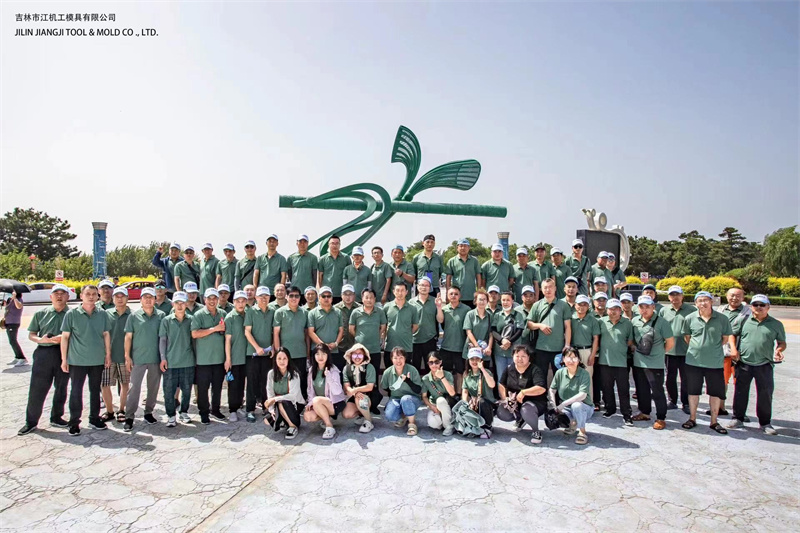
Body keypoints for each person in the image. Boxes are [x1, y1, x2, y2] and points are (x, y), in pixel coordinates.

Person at [727, 295, 786, 435]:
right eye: (755, 304)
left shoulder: (776, 324)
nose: (758, 307)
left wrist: (779, 350)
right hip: (744, 363)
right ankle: (738, 418)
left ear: (768, 307)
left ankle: (765, 423)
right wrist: (733, 349)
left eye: (762, 305)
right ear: (751, 307)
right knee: (740, 392)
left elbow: (782, 342)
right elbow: (732, 334)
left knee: (765, 394)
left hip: (764, 364)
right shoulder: (743, 320)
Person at [18, 284, 70, 436]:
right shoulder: (41, 313)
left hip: (64, 354)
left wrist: (63, 338)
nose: (59, 296)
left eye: (62, 293)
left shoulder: (73, 315)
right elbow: (32, 334)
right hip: (44, 353)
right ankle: (31, 421)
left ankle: (57, 417)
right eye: (56, 293)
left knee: (61, 387)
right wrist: (41, 340)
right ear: (51, 296)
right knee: (37, 388)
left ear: (67, 297)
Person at [61, 284, 112, 436]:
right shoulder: (71, 314)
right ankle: (74, 422)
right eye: (88, 294)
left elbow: (106, 335)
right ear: (81, 296)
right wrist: (64, 359)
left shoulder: (102, 314)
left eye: (94, 294)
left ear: (97, 296)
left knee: (95, 391)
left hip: (97, 360)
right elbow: (65, 337)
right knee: (76, 391)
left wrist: (108, 354)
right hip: (77, 360)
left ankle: (94, 418)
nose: (91, 297)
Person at [681, 291, 735, 434]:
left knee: (715, 393)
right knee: (693, 391)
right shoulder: (690, 318)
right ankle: (692, 418)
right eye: (700, 300)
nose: (703, 303)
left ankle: (714, 421)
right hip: (693, 361)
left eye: (706, 300)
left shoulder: (722, 319)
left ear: (711, 302)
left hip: (714, 363)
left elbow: (725, 339)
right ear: (695, 303)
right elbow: (687, 337)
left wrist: (710, 348)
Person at [122, 287, 164, 431]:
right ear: (140, 300)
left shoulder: (161, 316)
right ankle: (129, 416)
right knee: (134, 388)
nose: (148, 300)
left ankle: (148, 412)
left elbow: (164, 338)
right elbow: (128, 337)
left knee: (153, 388)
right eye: (145, 297)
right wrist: (127, 356)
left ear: (155, 299)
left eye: (151, 297)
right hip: (138, 358)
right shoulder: (134, 316)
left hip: (155, 358)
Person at [630, 296, 675, 429]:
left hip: (655, 364)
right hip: (639, 362)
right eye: (641, 307)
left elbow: (670, 342)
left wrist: (659, 353)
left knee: (657, 391)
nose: (644, 310)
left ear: (653, 307)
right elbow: (632, 340)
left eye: (647, 307)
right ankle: (645, 413)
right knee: (642, 390)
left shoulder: (662, 322)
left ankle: (661, 417)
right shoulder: (635, 321)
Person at [496, 345, 547, 444]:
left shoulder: (535, 370)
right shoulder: (509, 368)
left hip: (534, 403)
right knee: (502, 412)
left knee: (526, 409)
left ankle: (536, 431)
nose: (520, 359)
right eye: (517, 356)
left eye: (523, 356)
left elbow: (541, 388)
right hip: (515, 403)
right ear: (513, 356)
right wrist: (505, 399)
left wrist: (524, 392)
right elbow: (501, 384)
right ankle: (521, 419)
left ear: (529, 357)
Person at [191, 288, 227, 425]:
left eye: (214, 298)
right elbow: (195, 333)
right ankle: (204, 412)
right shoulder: (199, 315)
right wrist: (214, 329)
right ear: (204, 299)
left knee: (217, 387)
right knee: (203, 388)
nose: (212, 301)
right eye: (209, 298)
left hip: (219, 358)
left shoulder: (223, 314)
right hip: (203, 360)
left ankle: (215, 409)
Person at [159, 292, 195, 426]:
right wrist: (163, 358)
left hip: (187, 361)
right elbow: (163, 340)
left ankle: (184, 412)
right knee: (169, 390)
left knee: (187, 390)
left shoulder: (191, 320)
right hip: (171, 361)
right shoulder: (166, 320)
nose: (180, 306)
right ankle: (171, 415)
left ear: (186, 304)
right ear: (173, 304)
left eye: (182, 303)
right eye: (177, 303)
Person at [527, 278, 572, 382]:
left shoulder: (563, 305)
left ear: (555, 288)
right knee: (541, 377)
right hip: (541, 347)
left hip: (558, 348)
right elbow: (529, 324)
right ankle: (542, 393)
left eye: (550, 287)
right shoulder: (537, 305)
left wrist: (567, 345)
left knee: (560, 377)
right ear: (541, 289)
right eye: (545, 287)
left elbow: (568, 327)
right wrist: (540, 325)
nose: (548, 290)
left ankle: (558, 393)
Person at [598, 298, 635, 426]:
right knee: (607, 388)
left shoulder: (627, 323)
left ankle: (626, 413)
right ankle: (610, 409)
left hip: (621, 361)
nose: (613, 311)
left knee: (623, 389)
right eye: (611, 309)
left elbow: (629, 341)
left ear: (620, 310)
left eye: (616, 309)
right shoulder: (601, 322)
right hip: (605, 361)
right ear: (606, 310)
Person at [660, 285, 694, 414]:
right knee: (670, 377)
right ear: (669, 297)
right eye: (672, 295)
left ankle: (686, 403)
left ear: (682, 296)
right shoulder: (664, 311)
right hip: (670, 350)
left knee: (686, 378)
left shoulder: (691, 310)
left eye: (677, 294)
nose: (675, 297)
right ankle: (672, 400)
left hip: (686, 350)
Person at [716, 287, 751, 416]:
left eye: (738, 296)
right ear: (726, 296)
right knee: (721, 380)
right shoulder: (720, 310)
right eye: (732, 295)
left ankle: (740, 413)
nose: (734, 298)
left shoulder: (748, 312)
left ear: (743, 297)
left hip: (740, 353)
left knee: (740, 383)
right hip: (722, 351)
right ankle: (720, 407)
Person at [549, 347, 594, 445]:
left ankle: (582, 432)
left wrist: (563, 404)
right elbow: (552, 390)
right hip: (567, 409)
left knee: (576, 405)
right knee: (554, 416)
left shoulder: (584, 374)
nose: (571, 360)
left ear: (579, 360)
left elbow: (582, 395)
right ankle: (572, 424)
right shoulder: (559, 373)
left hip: (584, 407)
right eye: (568, 357)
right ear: (563, 359)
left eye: (574, 357)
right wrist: (554, 406)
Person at [100, 287, 131, 424]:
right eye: (117, 296)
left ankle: (122, 410)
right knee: (105, 384)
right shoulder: (105, 314)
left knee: (125, 384)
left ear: (127, 298)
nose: (120, 299)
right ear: (113, 298)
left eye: (122, 296)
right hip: (108, 356)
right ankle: (109, 411)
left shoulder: (132, 315)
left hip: (125, 357)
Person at [244, 286, 275, 422]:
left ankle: (266, 407)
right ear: (256, 297)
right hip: (253, 354)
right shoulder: (251, 311)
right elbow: (247, 331)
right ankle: (250, 410)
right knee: (252, 382)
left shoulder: (273, 311)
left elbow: (274, 331)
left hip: (268, 354)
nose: (263, 298)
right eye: (261, 296)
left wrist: (273, 347)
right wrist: (257, 347)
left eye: (266, 296)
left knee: (266, 382)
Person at [273, 285, 310, 399]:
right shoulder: (279, 312)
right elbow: (276, 334)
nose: (294, 298)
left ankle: (301, 402)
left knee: (301, 379)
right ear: (286, 296)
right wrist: (278, 353)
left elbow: (307, 334)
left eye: (297, 296)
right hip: (285, 355)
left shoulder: (305, 313)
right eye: (291, 296)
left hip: (301, 353)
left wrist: (308, 353)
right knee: (286, 380)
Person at [303, 345, 347, 439]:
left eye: (323, 354)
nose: (320, 357)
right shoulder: (312, 370)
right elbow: (310, 390)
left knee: (316, 400)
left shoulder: (333, 369)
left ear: (328, 355)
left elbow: (337, 391)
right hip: (319, 402)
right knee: (308, 416)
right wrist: (310, 402)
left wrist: (329, 377)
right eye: (317, 354)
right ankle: (325, 417)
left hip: (334, 403)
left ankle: (329, 426)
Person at [380, 347, 423, 435]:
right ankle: (404, 415)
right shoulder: (387, 372)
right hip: (395, 398)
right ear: (391, 359)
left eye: (401, 357)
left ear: (405, 358)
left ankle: (412, 424)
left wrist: (408, 381)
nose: (398, 361)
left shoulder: (412, 370)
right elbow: (384, 387)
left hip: (412, 399)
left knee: (405, 399)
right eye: (395, 358)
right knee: (390, 416)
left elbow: (418, 390)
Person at [341, 343, 382, 432]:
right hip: (355, 395)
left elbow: (369, 387)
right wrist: (354, 393)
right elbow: (347, 386)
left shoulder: (369, 367)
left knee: (360, 400)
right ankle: (363, 414)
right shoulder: (346, 369)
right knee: (346, 414)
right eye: (354, 354)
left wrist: (356, 390)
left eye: (360, 354)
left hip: (370, 395)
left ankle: (368, 421)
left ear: (364, 356)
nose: (357, 357)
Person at [265, 348, 304, 439]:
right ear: (275, 360)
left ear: (288, 359)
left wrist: (275, 399)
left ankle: (293, 426)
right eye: (279, 358)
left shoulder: (294, 374)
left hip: (294, 404)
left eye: (284, 358)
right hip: (278, 403)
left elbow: (293, 396)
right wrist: (271, 410)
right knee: (267, 420)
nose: (282, 361)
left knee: (281, 402)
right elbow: (270, 393)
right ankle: (282, 420)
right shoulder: (271, 374)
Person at [224, 290, 250, 422]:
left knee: (241, 384)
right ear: (233, 302)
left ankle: (239, 405)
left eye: (243, 301)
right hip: (234, 357)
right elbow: (227, 340)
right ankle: (232, 410)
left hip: (246, 356)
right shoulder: (230, 317)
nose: (240, 304)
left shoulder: (248, 315)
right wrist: (228, 359)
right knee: (233, 385)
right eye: (238, 301)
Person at [438, 286, 470, 388]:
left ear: (460, 296)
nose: (453, 296)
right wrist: (439, 307)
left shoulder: (466, 309)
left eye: (456, 294)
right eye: (451, 294)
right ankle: (448, 392)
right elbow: (440, 321)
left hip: (460, 347)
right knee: (446, 372)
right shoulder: (444, 309)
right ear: (447, 296)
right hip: (446, 346)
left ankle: (459, 393)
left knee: (460, 372)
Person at [461, 348, 496, 439]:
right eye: (472, 359)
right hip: (474, 404)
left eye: (477, 359)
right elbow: (465, 391)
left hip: (487, 404)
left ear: (481, 360)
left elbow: (492, 385)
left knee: (481, 401)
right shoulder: (466, 374)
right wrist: (464, 403)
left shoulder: (487, 372)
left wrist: (482, 369)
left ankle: (487, 427)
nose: (474, 361)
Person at [382, 283, 419, 370]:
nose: (400, 293)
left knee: (406, 373)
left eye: (402, 290)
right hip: (390, 346)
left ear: (406, 292)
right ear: (393, 292)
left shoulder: (412, 309)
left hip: (406, 347)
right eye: (397, 290)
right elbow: (384, 326)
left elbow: (415, 326)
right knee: (390, 372)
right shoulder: (387, 307)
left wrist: (405, 332)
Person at [491, 291, 526, 380]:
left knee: (514, 378)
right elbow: (493, 331)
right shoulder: (497, 315)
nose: (505, 302)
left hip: (514, 351)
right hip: (500, 351)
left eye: (508, 300)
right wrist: (502, 341)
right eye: (503, 300)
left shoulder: (518, 315)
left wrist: (508, 342)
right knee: (501, 377)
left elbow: (519, 331)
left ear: (512, 301)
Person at [349, 289, 387, 369]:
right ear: (362, 299)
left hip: (375, 349)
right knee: (360, 373)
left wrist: (377, 335)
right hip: (360, 350)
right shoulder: (355, 312)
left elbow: (383, 326)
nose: (369, 300)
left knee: (375, 372)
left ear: (375, 299)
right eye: (366, 297)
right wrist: (359, 337)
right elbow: (351, 329)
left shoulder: (380, 312)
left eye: (371, 297)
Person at [307, 286, 344, 368]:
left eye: (329, 296)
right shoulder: (312, 313)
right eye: (323, 296)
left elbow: (341, 330)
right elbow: (310, 332)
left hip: (334, 350)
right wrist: (323, 345)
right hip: (317, 351)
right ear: (319, 298)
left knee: (334, 374)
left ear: (332, 298)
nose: (326, 298)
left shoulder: (338, 312)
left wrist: (336, 343)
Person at [422, 351, 457, 436]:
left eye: (436, 362)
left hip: (447, 403)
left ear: (440, 362)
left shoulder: (447, 374)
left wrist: (442, 377)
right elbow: (424, 396)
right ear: (428, 364)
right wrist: (431, 406)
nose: (434, 365)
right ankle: (442, 423)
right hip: (435, 405)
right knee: (433, 423)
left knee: (440, 401)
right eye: (431, 362)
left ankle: (448, 426)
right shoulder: (426, 378)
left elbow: (452, 393)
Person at [411, 277, 440, 372]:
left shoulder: (435, 301)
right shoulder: (411, 303)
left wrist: (439, 307)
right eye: (422, 285)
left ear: (430, 287)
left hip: (430, 339)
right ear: (417, 286)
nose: (424, 287)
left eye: (427, 285)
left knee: (431, 369)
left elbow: (440, 320)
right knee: (414, 369)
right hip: (414, 340)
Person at [570, 294, 599, 389]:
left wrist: (592, 355)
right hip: (572, 352)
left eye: (584, 304)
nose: (582, 307)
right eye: (579, 304)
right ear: (575, 305)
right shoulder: (570, 319)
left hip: (586, 351)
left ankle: (588, 398)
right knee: (572, 378)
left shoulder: (593, 320)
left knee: (587, 378)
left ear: (588, 306)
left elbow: (596, 338)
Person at [445, 238, 481, 308]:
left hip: (471, 295)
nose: (463, 248)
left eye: (465, 246)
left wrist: (478, 292)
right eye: (461, 246)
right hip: (456, 296)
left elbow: (478, 276)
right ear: (457, 248)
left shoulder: (474, 261)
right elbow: (448, 278)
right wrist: (448, 293)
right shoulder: (452, 261)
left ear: (469, 248)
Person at [463, 289, 494, 368]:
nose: (482, 302)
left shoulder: (490, 315)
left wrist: (489, 347)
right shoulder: (470, 314)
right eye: (480, 299)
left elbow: (491, 333)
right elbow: (468, 332)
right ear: (475, 301)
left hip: (484, 350)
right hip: (472, 348)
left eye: (484, 299)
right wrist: (477, 346)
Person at [318, 235, 351, 304]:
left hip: (341, 293)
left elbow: (349, 275)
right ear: (328, 245)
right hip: (327, 294)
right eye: (332, 243)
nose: (335, 245)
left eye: (337, 243)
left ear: (340, 245)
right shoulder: (322, 259)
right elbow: (320, 276)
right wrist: (321, 290)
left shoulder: (346, 258)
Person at [287, 234, 318, 302]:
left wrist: (313, 288)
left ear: (307, 243)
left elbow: (314, 275)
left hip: (308, 291)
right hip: (295, 290)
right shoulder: (291, 258)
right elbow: (290, 273)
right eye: (300, 242)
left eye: (305, 242)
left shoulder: (313, 258)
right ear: (297, 243)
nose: (302, 244)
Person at [335, 284, 360, 354]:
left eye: (350, 294)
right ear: (341, 295)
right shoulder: (335, 309)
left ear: (354, 295)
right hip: (340, 346)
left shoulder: (360, 308)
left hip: (356, 346)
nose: (348, 297)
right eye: (345, 294)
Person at [3, 290, 25, 365]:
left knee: (13, 341)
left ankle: (22, 358)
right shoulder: (10, 300)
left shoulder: (19, 300)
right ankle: (17, 357)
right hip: (8, 322)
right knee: (11, 341)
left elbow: (19, 306)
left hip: (14, 323)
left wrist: (15, 298)